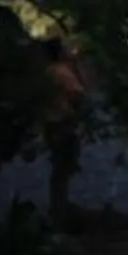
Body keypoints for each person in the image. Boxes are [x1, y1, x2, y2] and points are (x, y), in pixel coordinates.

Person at [40, 36, 89, 221]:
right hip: (63, 122)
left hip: (50, 122)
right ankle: (60, 209)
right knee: (64, 166)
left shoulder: (47, 71)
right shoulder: (62, 72)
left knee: (58, 168)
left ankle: (57, 205)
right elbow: (78, 94)